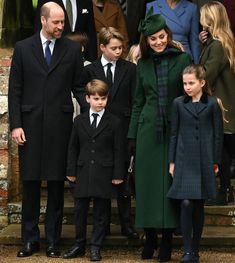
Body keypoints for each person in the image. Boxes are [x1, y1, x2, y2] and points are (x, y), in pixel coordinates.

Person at [8, 2, 84, 258]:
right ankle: (30, 240)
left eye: (63, 22)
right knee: (29, 185)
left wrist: (97, 113)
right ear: (43, 20)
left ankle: (53, 241)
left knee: (54, 186)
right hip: (28, 126)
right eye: (57, 22)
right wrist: (16, 124)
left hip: (60, 127)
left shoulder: (72, 50)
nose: (61, 26)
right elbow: (15, 90)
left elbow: (80, 88)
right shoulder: (22, 48)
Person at [127, 8, 191, 261]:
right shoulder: (141, 65)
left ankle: (166, 241)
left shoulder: (182, 60)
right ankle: (150, 238)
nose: (158, 42)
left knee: (168, 187)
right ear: (147, 41)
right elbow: (138, 102)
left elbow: (188, 97)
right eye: (153, 38)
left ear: (168, 35)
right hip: (147, 131)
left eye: (162, 36)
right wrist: (132, 136)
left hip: (175, 130)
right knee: (146, 187)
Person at [79, 27, 138, 239]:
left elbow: (136, 100)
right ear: (102, 47)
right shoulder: (90, 70)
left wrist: (132, 133)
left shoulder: (130, 69)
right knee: (101, 180)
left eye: (121, 47)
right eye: (114, 48)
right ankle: (100, 228)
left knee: (123, 179)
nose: (119, 51)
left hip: (123, 130)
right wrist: (89, 111)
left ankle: (126, 224)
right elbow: (80, 89)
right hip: (98, 132)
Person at [62, 79, 124, 261]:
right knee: (80, 211)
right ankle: (79, 244)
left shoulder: (114, 122)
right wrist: (70, 170)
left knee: (101, 213)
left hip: (104, 173)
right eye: (96, 98)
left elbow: (119, 150)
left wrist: (118, 174)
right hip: (82, 172)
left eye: (103, 99)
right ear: (87, 98)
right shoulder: (79, 120)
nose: (99, 102)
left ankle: (96, 246)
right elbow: (73, 147)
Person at [167, 64, 224, 263]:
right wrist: (172, 161)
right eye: (184, 83)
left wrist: (216, 161)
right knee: (185, 202)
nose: (187, 87)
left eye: (191, 83)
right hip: (183, 159)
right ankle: (187, 250)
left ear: (202, 83)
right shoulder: (178, 103)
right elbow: (174, 133)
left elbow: (218, 135)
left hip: (204, 160)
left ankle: (195, 250)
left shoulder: (213, 104)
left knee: (198, 205)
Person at [199, 1, 235, 205]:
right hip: (227, 104)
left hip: (220, 106)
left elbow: (207, 74)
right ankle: (225, 191)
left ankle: (223, 192)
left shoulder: (217, 45)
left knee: (221, 150)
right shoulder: (224, 41)